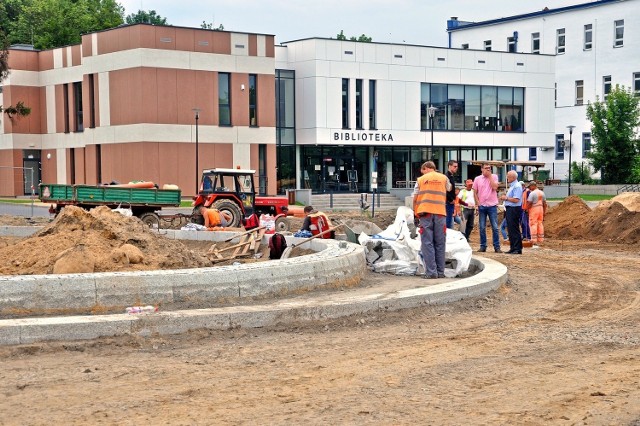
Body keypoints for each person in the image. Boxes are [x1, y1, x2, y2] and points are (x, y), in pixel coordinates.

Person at [413, 161, 451, 279]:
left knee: (427, 243)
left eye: (422, 170)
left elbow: (415, 198)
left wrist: (415, 214)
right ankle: (440, 272)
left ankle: (431, 272)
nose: (422, 172)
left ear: (426, 168)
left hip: (425, 214)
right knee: (440, 243)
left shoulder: (420, 180)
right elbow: (449, 189)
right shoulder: (444, 178)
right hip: (440, 214)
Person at [472, 163, 502, 253]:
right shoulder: (477, 179)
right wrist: (478, 204)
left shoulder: (494, 177)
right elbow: (475, 192)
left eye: (489, 168)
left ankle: (497, 247)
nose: (488, 170)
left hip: (492, 205)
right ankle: (483, 246)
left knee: (495, 227)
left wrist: (490, 177)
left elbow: (494, 187)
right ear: (482, 169)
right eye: (486, 168)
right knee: (482, 227)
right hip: (482, 206)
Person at [500, 170, 523, 254]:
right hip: (510, 209)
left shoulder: (517, 186)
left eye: (508, 176)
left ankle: (517, 248)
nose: (507, 178)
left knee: (514, 228)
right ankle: (513, 247)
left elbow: (516, 199)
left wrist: (506, 198)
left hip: (514, 209)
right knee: (510, 228)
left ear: (513, 177)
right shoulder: (512, 186)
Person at [526, 181, 548, 248]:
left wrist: (527, 210)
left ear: (533, 186)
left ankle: (533, 240)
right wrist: (544, 212)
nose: (530, 188)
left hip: (534, 209)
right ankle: (540, 239)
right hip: (540, 209)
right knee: (540, 223)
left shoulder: (532, 193)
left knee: (533, 224)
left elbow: (529, 203)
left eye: (530, 187)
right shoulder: (542, 193)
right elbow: (545, 204)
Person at [445, 160, 459, 229]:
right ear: (449, 166)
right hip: (448, 202)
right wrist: (451, 200)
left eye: (457, 166)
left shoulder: (450, 176)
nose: (456, 168)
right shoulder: (447, 176)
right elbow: (446, 190)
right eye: (455, 166)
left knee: (450, 221)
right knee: (448, 222)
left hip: (450, 202)